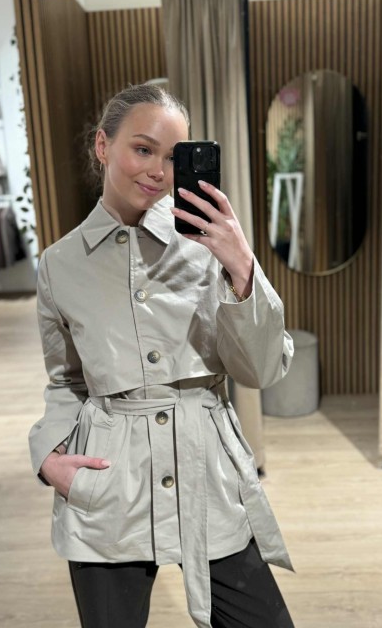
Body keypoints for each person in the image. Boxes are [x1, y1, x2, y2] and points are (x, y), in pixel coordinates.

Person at [30, 83, 295, 628]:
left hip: (207, 471)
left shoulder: (209, 249)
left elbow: (263, 369)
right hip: (110, 482)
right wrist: (48, 456)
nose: (158, 171)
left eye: (174, 157)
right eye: (143, 149)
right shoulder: (59, 265)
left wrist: (242, 268)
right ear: (102, 146)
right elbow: (67, 381)